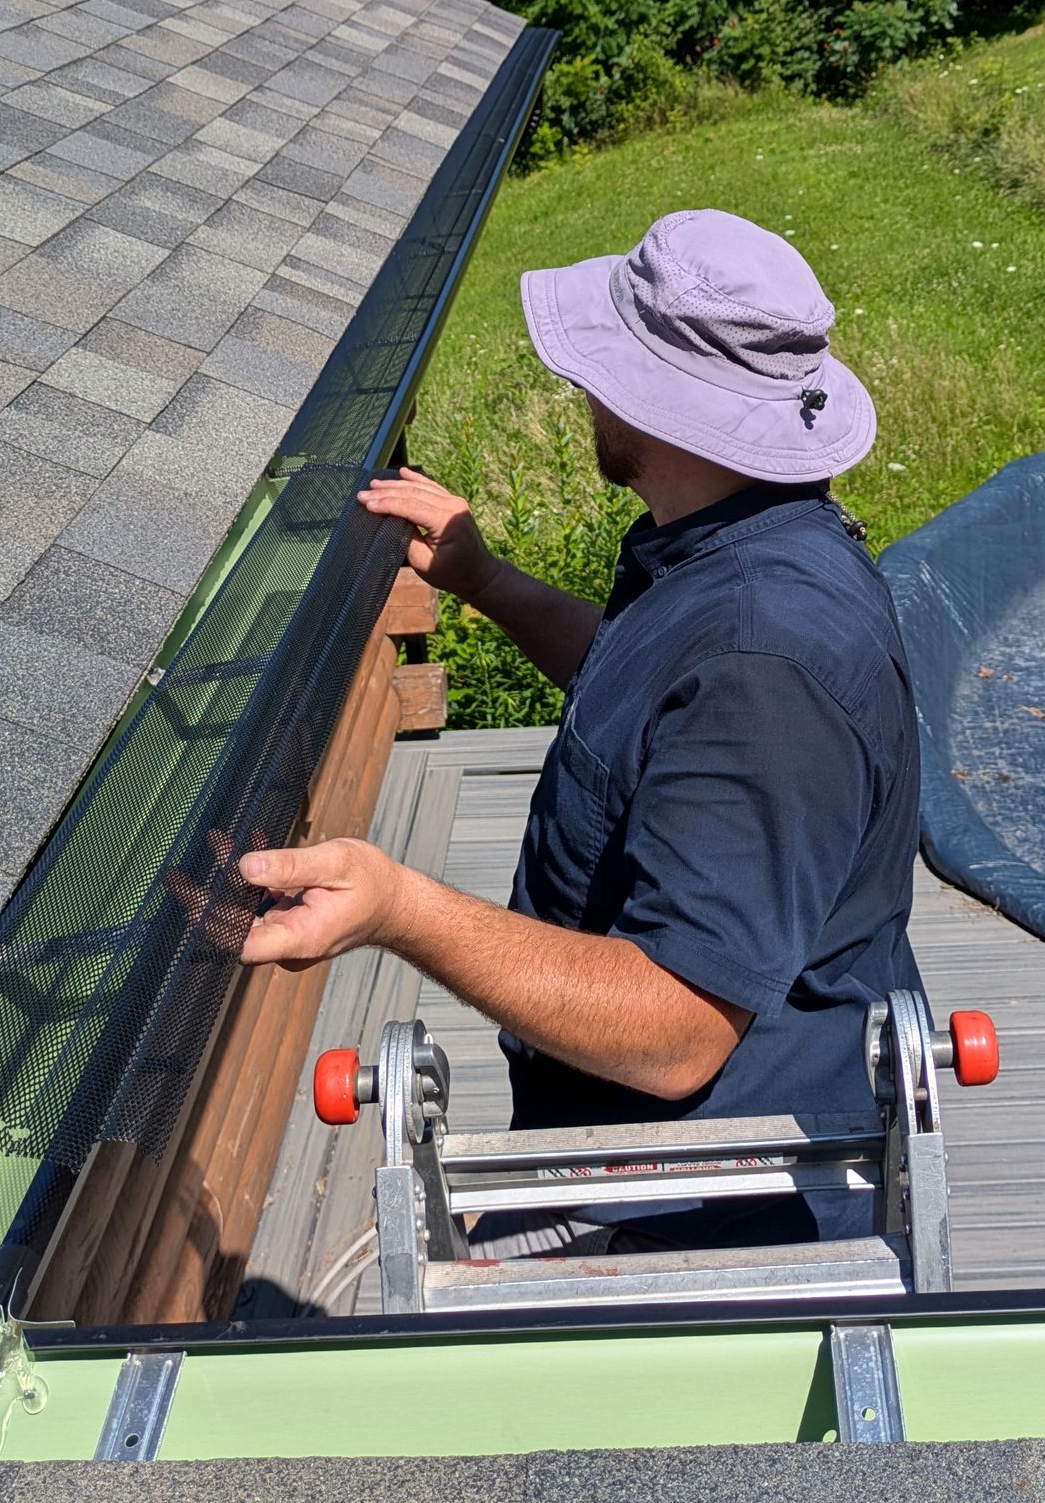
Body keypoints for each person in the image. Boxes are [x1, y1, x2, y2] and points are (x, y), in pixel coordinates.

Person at [233, 207, 925, 1251]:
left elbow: (678, 1028)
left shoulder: (761, 661)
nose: (583, 390)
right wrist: (485, 579)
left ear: (661, 406)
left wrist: (397, 906)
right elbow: (661, 705)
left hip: (710, 1203)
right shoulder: (737, 546)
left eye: (606, 367)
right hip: (645, 1148)